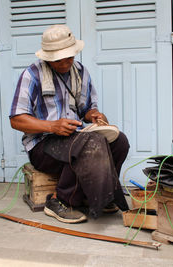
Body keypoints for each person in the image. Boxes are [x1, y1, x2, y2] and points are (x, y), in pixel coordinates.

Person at [10, 24, 129, 224]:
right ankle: (59, 201)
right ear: (47, 56)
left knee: (119, 141)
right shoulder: (31, 75)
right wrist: (52, 126)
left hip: (76, 138)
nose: (66, 62)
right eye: (60, 59)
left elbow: (86, 109)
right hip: (43, 145)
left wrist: (94, 115)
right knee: (88, 145)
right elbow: (16, 119)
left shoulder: (81, 72)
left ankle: (103, 193)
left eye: (70, 56)